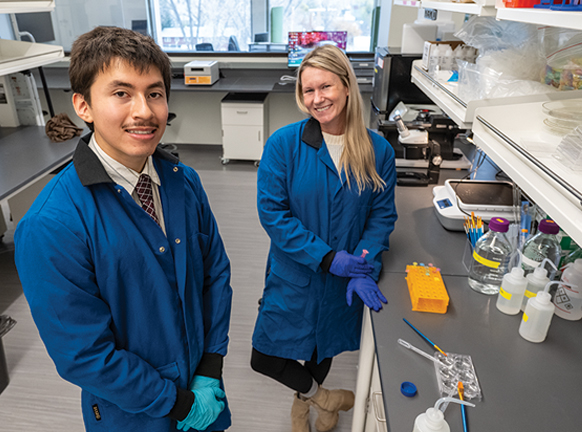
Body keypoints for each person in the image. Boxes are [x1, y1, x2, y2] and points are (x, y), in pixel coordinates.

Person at [14, 27, 232, 432]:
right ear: (83, 105)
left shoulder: (184, 183)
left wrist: (210, 367)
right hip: (132, 414)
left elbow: (215, 275)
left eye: (154, 93)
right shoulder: (52, 225)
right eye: (121, 93)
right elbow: (83, 354)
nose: (144, 111)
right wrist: (178, 403)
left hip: (203, 389)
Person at [250, 45, 397, 432]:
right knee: (264, 357)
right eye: (308, 91)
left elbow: (381, 216)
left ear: (346, 86)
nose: (317, 99)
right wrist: (329, 258)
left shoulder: (377, 150)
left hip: (343, 281)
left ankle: (304, 406)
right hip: (294, 274)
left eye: (325, 87)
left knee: (321, 350)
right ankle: (325, 398)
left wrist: (364, 265)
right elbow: (273, 215)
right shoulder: (284, 145)